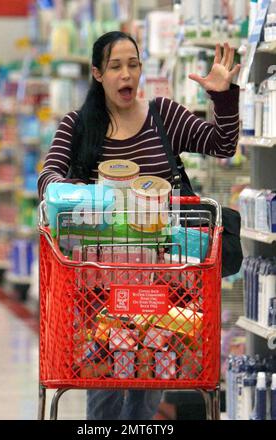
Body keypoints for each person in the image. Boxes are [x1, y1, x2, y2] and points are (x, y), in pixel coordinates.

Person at [38, 31, 240, 420]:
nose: (126, 74)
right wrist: (95, 198)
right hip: (95, 285)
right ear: (97, 73)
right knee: (104, 392)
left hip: (161, 282)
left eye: (133, 65)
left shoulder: (164, 116)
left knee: (148, 385)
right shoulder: (77, 126)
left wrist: (223, 96)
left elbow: (223, 143)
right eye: (115, 66)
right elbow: (48, 180)